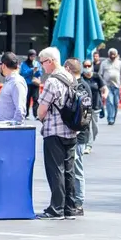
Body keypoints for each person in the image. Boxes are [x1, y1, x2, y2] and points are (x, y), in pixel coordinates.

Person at [36, 47, 79, 220]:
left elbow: (42, 109)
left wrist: (41, 118)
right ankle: (70, 207)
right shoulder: (71, 77)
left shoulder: (52, 81)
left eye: (43, 62)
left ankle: (56, 209)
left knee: (55, 170)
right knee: (69, 170)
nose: (42, 66)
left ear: (51, 61)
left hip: (54, 130)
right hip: (72, 129)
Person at [64, 58, 90, 216]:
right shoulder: (80, 84)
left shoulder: (80, 86)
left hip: (79, 134)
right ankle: (74, 200)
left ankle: (79, 202)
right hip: (79, 133)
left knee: (77, 169)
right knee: (73, 168)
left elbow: (85, 112)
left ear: (68, 68)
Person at [80, 59, 107, 154]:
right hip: (85, 106)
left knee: (95, 128)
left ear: (91, 66)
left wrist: (105, 94)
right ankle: (88, 145)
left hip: (96, 105)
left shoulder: (96, 76)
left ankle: (90, 142)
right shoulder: (81, 78)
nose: (87, 68)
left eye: (89, 66)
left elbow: (104, 88)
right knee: (87, 126)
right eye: (85, 66)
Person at [0, 52, 26, 124]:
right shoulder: (9, 81)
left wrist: (12, 127)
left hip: (9, 129)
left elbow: (20, 110)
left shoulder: (16, 82)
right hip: (4, 127)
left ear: (3, 66)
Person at [99, 47, 121, 125]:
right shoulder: (104, 63)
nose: (113, 56)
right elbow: (100, 75)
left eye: (114, 54)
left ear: (116, 55)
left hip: (117, 86)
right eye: (111, 54)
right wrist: (101, 86)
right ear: (109, 55)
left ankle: (113, 117)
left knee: (116, 103)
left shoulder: (120, 63)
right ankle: (110, 118)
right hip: (107, 86)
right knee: (110, 102)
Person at [20, 49, 43, 119]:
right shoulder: (24, 64)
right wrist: (31, 70)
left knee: (36, 99)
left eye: (34, 56)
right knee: (27, 99)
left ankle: (36, 115)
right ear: (28, 56)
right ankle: (26, 114)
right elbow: (23, 74)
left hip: (35, 84)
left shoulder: (37, 63)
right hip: (27, 84)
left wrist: (37, 71)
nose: (33, 58)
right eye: (31, 56)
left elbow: (40, 73)